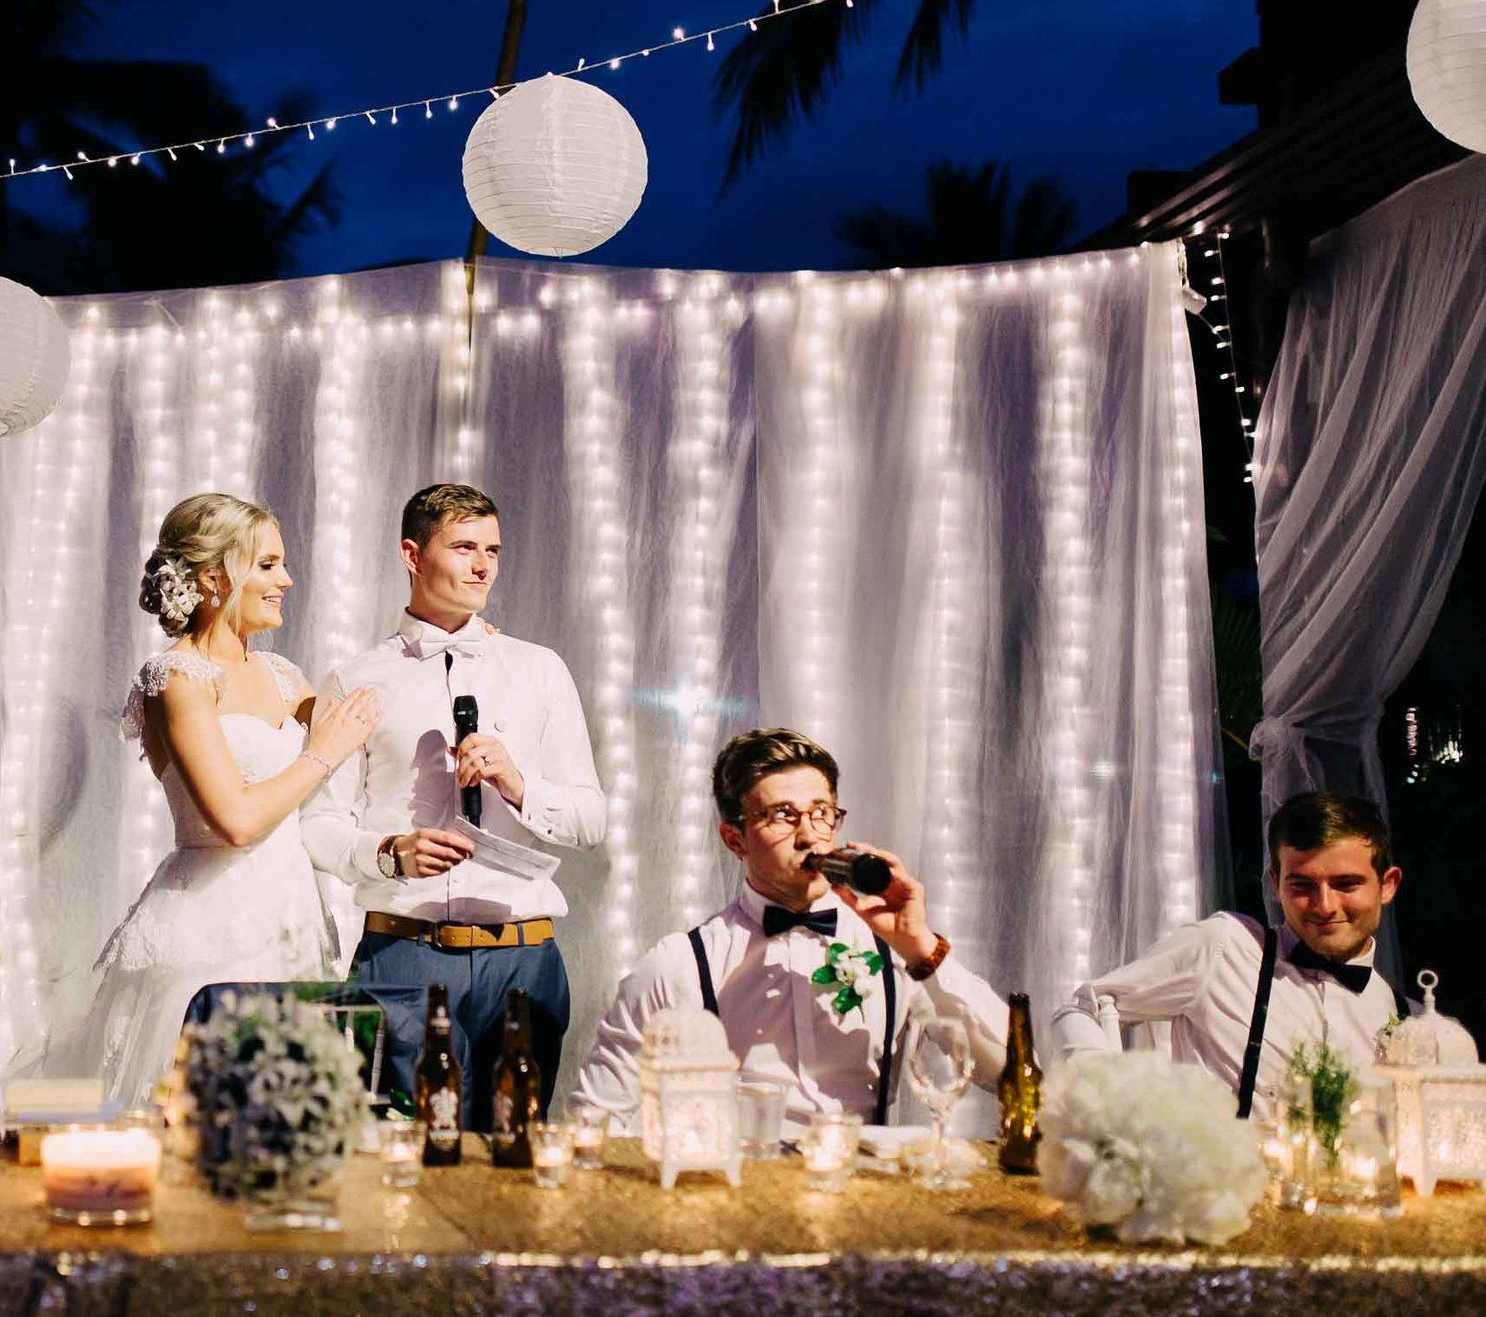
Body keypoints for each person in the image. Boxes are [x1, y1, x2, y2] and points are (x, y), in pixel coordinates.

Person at [35, 493, 383, 1108]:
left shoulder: (284, 676)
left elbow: (367, 732)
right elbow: (238, 822)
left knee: (287, 1113)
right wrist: (321, 751)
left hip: (291, 921)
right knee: (204, 1117)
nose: (287, 580)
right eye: (269, 565)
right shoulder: (175, 678)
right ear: (214, 577)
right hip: (209, 929)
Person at [301, 483, 605, 1116]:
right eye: (463, 546)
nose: (482, 565)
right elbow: (318, 825)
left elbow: (590, 819)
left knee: (514, 1164)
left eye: (491, 549)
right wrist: (391, 853)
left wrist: (521, 786)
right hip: (402, 954)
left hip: (523, 959)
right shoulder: (355, 678)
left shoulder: (539, 669)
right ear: (413, 555)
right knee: (401, 1162)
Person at [572, 727, 1004, 1128]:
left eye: (821, 813)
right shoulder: (678, 965)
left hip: (863, 1191)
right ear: (735, 840)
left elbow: (1008, 1073)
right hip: (737, 1195)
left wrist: (922, 949)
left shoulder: (896, 953)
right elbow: (595, 1120)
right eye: (782, 815)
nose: (809, 837)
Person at [1054, 789, 1407, 1117]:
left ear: (1387, 885)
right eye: (1302, 885)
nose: (1324, 905)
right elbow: (1084, 1005)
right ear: (1275, 883)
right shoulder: (1225, 947)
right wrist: (1099, 1093)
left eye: (1346, 884)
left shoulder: (1404, 1016)